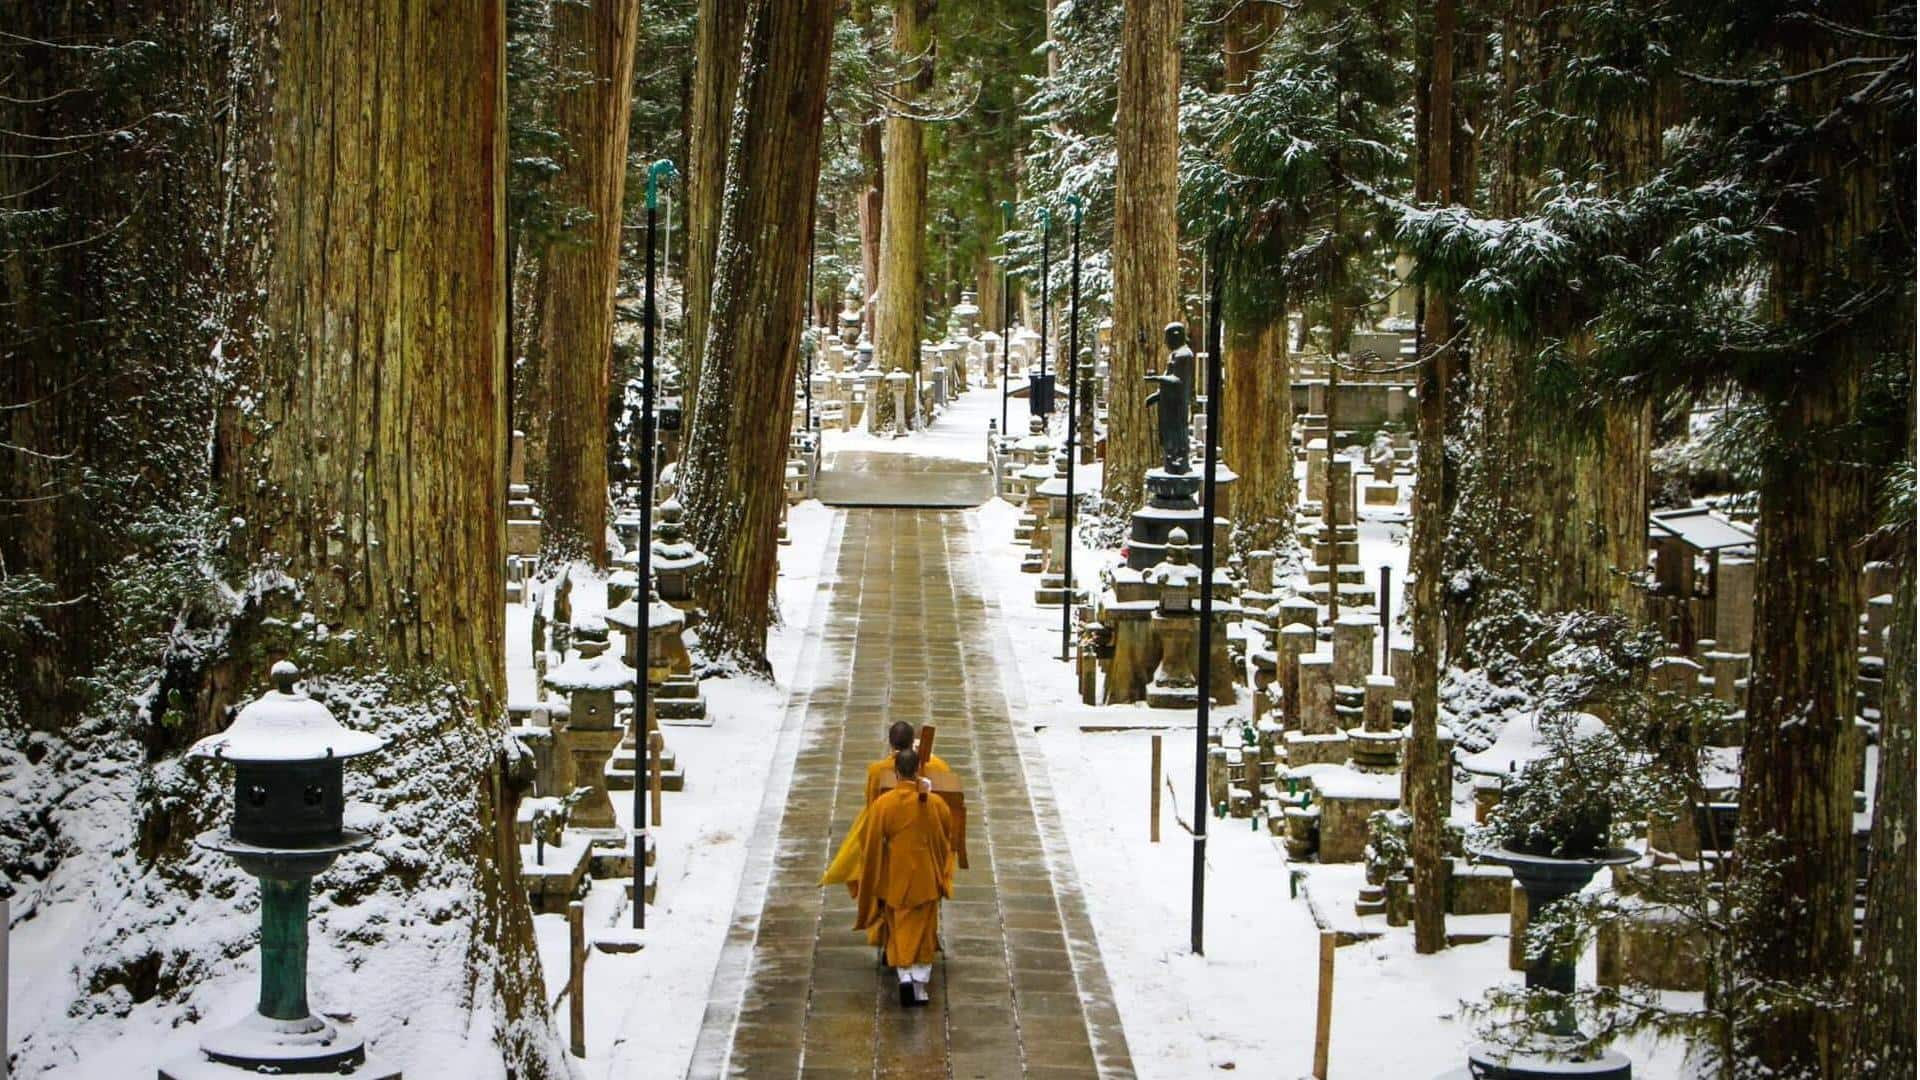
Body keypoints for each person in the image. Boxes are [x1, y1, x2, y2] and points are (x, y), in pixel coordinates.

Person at [854, 748, 955, 1007]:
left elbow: (871, 841)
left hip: (896, 877)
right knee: (923, 930)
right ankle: (920, 985)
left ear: (896, 771)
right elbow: (947, 836)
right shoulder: (934, 804)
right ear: (918, 770)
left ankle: (905, 976)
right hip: (925, 877)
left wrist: (873, 873)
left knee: (899, 927)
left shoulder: (884, 805)